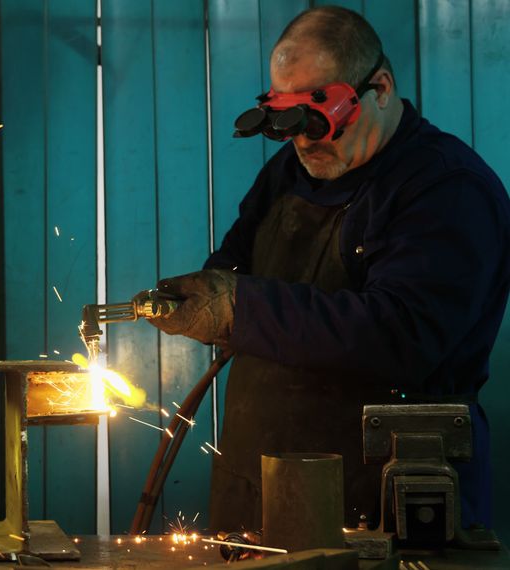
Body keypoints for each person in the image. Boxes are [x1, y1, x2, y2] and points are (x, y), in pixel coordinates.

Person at [148, 6, 508, 533]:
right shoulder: (295, 166)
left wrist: (240, 308)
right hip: (259, 487)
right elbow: (234, 265)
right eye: (289, 125)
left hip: (381, 499)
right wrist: (209, 296)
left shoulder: (448, 190)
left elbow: (402, 334)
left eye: (322, 120)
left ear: (379, 88)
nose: (305, 141)